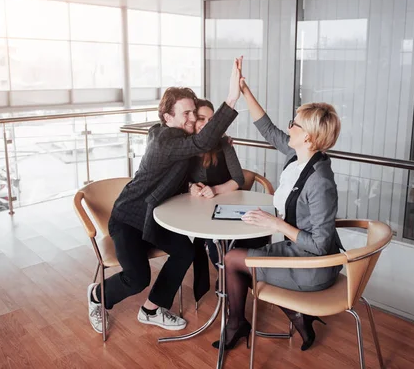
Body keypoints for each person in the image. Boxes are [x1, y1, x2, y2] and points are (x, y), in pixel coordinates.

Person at [87, 59, 243, 334]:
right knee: (137, 278)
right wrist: (231, 97)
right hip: (129, 218)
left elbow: (198, 151)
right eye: (186, 113)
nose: (193, 118)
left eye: (194, 112)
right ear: (167, 117)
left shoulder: (179, 141)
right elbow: (201, 142)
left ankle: (150, 309)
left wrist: (192, 184)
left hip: (154, 217)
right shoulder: (165, 141)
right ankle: (97, 296)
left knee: (184, 251)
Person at [212, 69, 343, 352]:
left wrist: (277, 225)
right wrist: (244, 90)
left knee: (233, 260)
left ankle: (238, 324)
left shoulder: (320, 181)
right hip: (297, 254)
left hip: (312, 267)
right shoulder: (299, 157)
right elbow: (267, 128)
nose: (289, 128)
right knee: (240, 257)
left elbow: (321, 246)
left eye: (294, 125)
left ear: (308, 138)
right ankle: (295, 315)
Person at [188, 98, 270, 269]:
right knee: (214, 247)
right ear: (193, 119)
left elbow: (238, 179)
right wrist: (191, 187)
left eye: (211, 120)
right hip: (197, 210)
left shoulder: (223, 142)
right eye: (201, 118)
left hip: (226, 206)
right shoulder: (185, 147)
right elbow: (180, 180)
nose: (207, 124)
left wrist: (216, 189)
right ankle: (229, 280)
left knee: (228, 246)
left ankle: (230, 280)